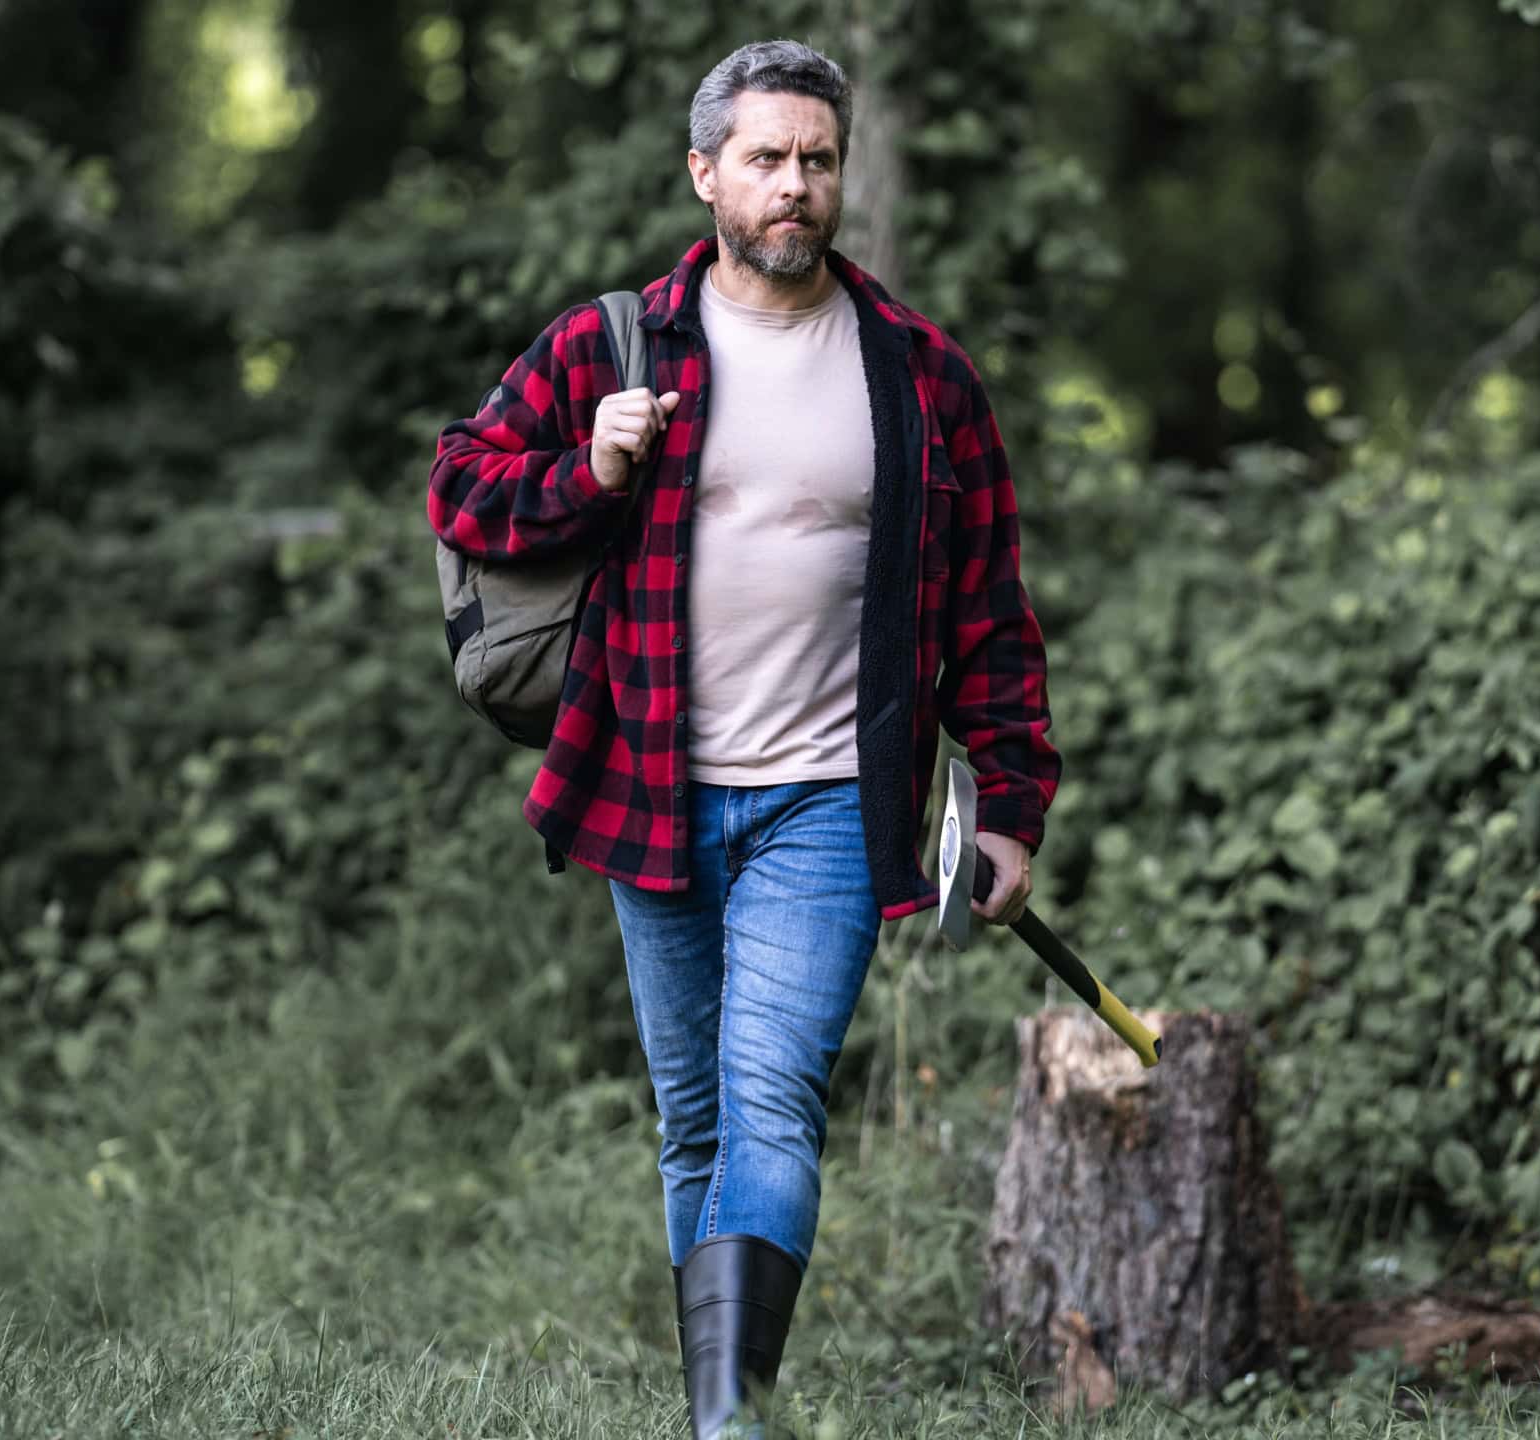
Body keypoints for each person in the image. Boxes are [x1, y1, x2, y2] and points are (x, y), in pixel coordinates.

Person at [427, 37, 1059, 1439]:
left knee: (772, 1102)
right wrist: (586, 468)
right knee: (695, 1124)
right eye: (766, 160)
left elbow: (990, 613)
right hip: (650, 786)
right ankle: (725, 1397)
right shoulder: (615, 345)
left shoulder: (917, 374)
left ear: (842, 178)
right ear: (706, 173)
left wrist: (1007, 804)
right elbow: (462, 489)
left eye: (817, 162)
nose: (794, 187)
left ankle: (729, 1425)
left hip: (834, 800)